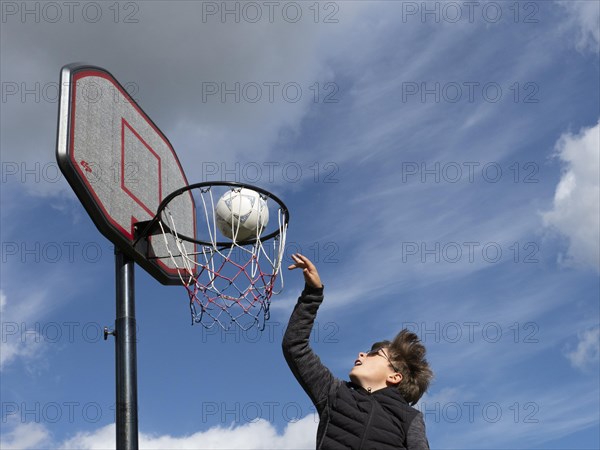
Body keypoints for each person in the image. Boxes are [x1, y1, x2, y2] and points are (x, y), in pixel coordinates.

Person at [283, 254, 433, 450]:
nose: (362, 354)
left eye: (374, 353)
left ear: (395, 376)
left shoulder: (409, 417)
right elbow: (295, 346)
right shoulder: (334, 393)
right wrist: (312, 294)